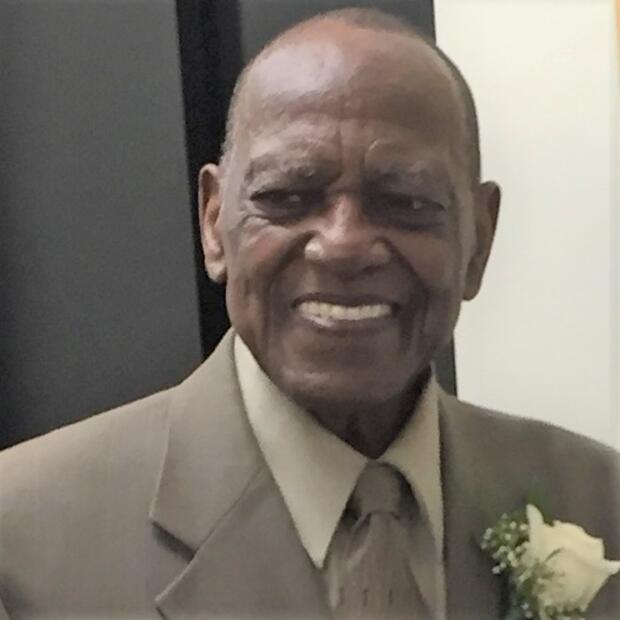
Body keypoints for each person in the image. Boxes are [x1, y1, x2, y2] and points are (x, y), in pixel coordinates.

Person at [0, 7, 618, 620]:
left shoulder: (600, 502)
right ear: (214, 224)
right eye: (287, 197)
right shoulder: (23, 542)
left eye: (404, 201)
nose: (343, 245)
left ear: (479, 240)